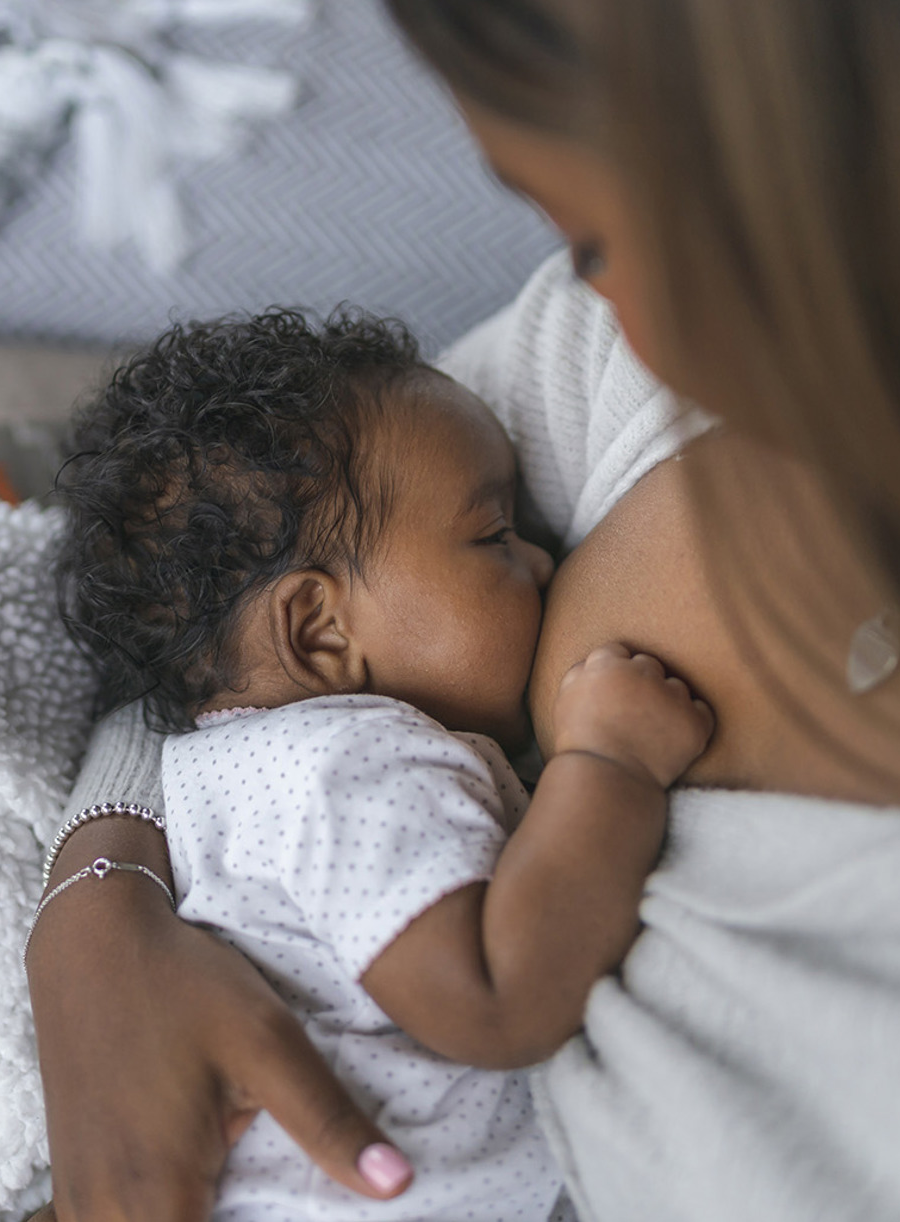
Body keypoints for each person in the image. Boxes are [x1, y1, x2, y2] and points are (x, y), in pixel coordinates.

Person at [25, 2, 900, 1219]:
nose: (592, 295)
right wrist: (99, 904)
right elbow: (213, 616)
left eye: (601, 237)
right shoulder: (578, 389)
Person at [43, 309, 708, 1219]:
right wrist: (612, 763)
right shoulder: (351, 764)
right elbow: (494, 996)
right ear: (319, 630)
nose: (546, 561)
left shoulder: (236, 771)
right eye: (493, 536)